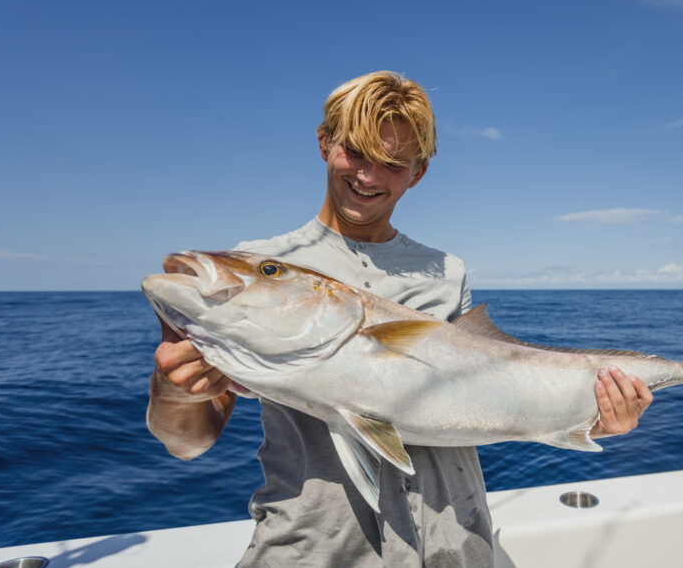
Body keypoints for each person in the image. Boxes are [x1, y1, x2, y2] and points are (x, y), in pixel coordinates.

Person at [146, 71, 654, 567]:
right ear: (324, 143)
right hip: (316, 549)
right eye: (356, 152)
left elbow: (490, 398)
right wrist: (174, 388)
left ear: (419, 172)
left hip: (456, 544)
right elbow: (187, 444)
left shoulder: (446, 272)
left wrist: (598, 418)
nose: (368, 177)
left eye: (392, 163)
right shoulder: (256, 265)